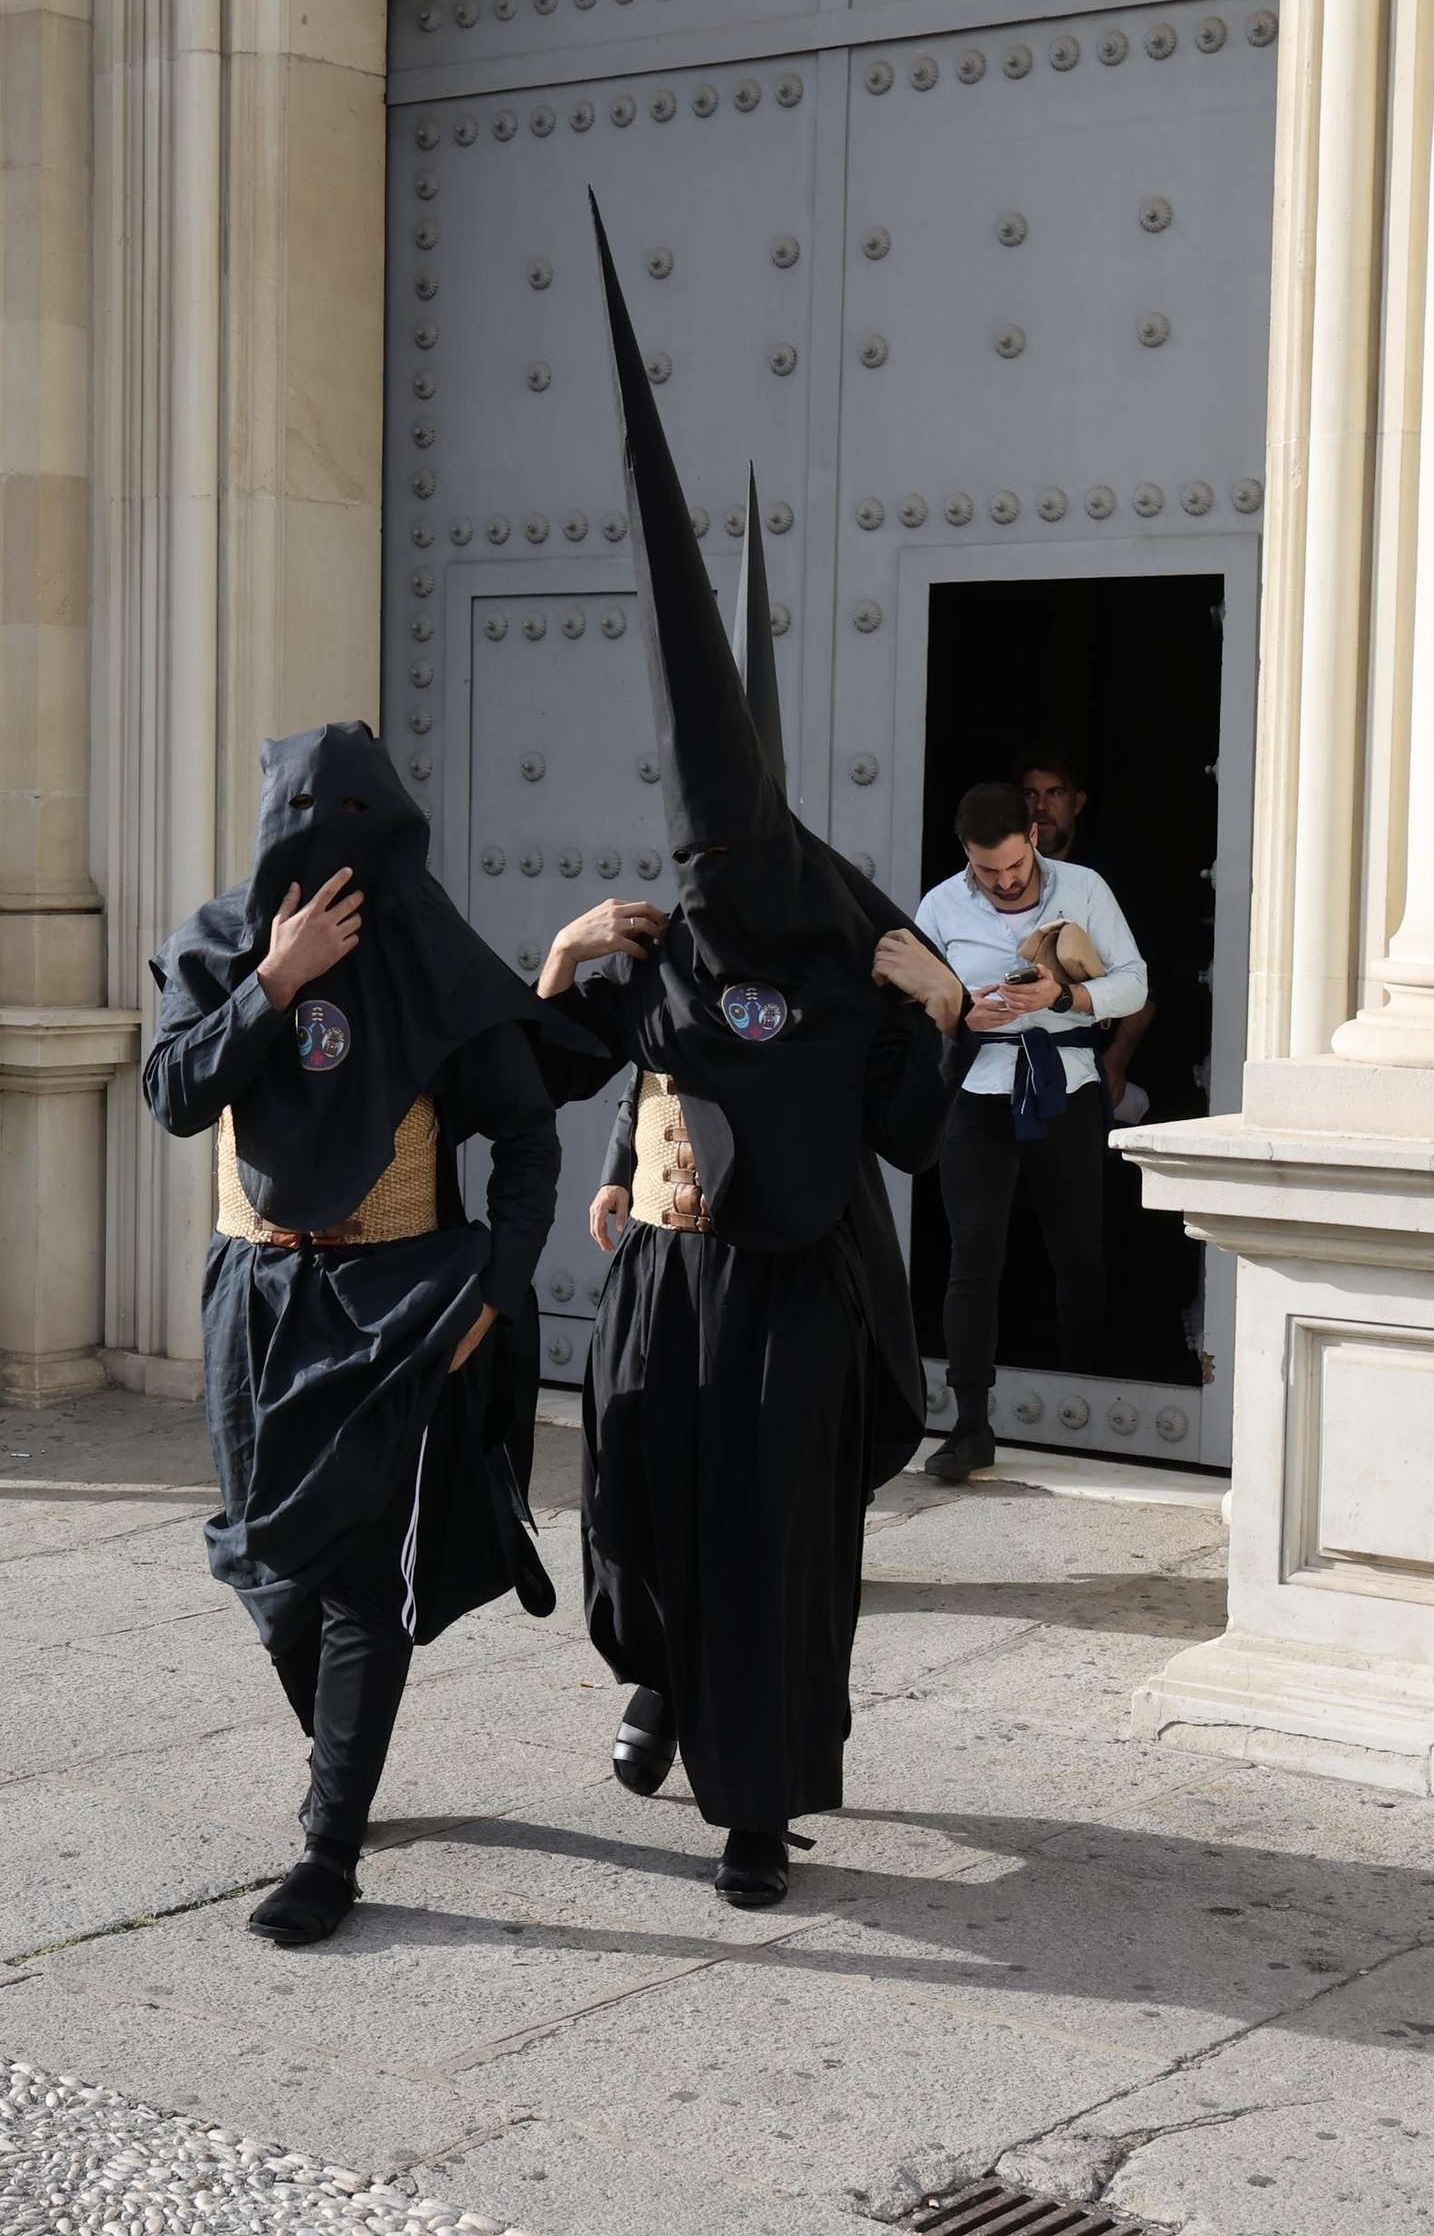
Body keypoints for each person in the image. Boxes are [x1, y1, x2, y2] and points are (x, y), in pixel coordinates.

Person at [536, 201, 965, 1913]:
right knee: (647, 1514)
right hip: (668, 1283)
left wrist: (937, 1005)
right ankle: (657, 1679)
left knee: (780, 1556)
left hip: (797, 1301)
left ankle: (756, 1807)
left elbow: (918, 1142)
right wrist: (569, 954)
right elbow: (558, 1071)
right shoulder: (664, 958)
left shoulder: (852, 975)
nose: (710, 890)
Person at [143, 722, 593, 1947]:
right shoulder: (220, 942)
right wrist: (273, 981)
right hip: (256, 1296)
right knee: (261, 1557)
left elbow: (526, 1134)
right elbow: (176, 1095)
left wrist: (490, 1290)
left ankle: (328, 1847)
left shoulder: (430, 953)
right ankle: (342, 1749)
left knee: (356, 1579)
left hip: (397, 1304)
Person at [880, 780, 1146, 1481]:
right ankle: (970, 1426)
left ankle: (1083, 1388)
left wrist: (1067, 994)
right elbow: (906, 1003)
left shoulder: (1084, 885)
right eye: (986, 871)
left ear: (1033, 837)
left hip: (1065, 1083)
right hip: (977, 1090)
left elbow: (1137, 982)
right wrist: (959, 1018)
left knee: (1077, 1249)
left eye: (1013, 868)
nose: (1001, 882)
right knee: (973, 1258)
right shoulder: (941, 904)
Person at [1015, 743, 1155, 1121]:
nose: (1040, 806)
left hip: (1089, 1062)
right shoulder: (988, 882)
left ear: (1077, 802)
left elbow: (1143, 982)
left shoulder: (1104, 882)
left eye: (1054, 793)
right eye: (1030, 794)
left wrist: (1117, 1060)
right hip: (1008, 1068)